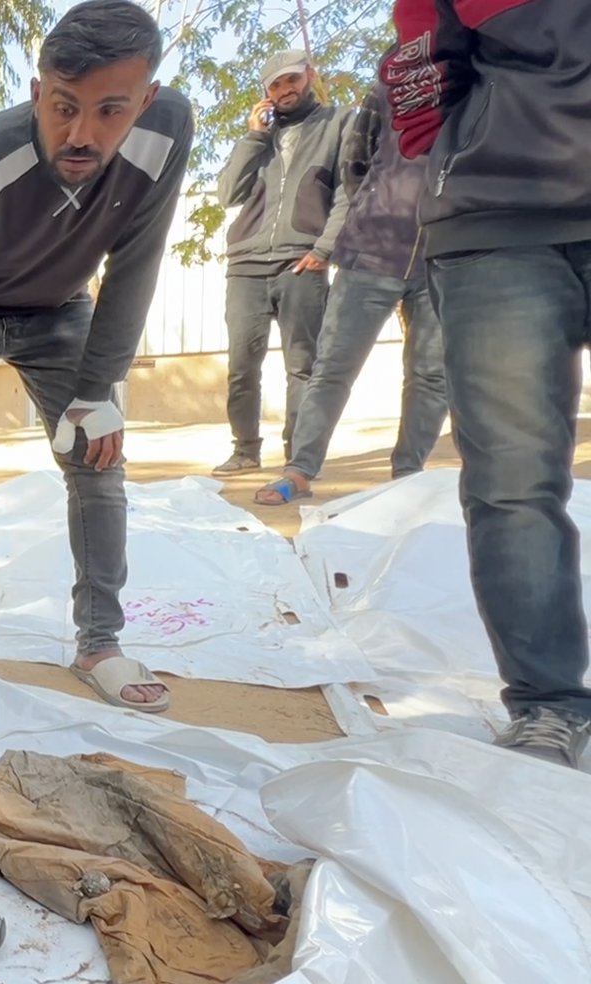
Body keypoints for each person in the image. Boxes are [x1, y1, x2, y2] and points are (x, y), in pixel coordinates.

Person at [0, 0, 192, 712]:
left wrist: (100, 389)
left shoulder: (167, 132)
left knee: (98, 461)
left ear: (145, 100)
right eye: (63, 107)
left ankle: (101, 643)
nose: (81, 133)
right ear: (37, 93)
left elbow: (135, 268)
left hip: (62, 312)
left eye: (110, 111)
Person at [381, 0, 591, 770]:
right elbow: (419, 69)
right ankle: (546, 704)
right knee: (512, 481)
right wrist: (457, 152)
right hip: (498, 219)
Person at [252, 82, 446, 506]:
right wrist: (375, 215)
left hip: (444, 255)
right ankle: (300, 470)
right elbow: (356, 164)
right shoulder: (389, 89)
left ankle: (408, 474)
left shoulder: (478, 82)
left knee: (431, 375)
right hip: (372, 252)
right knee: (333, 367)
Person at [211, 48, 355, 476]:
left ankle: (298, 455)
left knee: (303, 366)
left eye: (291, 80)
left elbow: (348, 192)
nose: (284, 90)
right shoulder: (262, 138)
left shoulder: (340, 122)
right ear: (265, 93)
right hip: (245, 265)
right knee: (241, 366)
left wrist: (324, 249)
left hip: (301, 261)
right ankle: (245, 449)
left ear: (309, 76)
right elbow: (226, 195)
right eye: (275, 85)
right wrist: (253, 137)